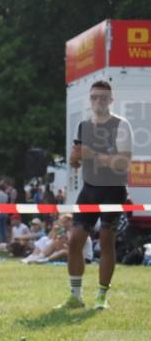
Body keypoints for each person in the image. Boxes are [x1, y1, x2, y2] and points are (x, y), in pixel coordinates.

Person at [59, 80, 133, 309]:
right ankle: (75, 296)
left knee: (106, 241)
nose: (98, 101)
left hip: (113, 189)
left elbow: (124, 162)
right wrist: (75, 158)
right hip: (89, 189)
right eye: (94, 97)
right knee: (74, 242)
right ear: (89, 100)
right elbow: (77, 160)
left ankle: (101, 296)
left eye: (102, 97)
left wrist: (94, 155)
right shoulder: (83, 126)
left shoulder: (121, 125)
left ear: (111, 100)